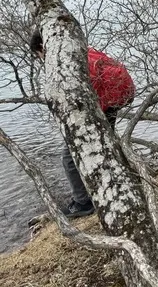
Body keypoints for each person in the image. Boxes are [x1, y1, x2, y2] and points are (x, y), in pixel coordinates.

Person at [30, 31, 135, 219]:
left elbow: (79, 99)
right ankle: (121, 182)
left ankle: (83, 202)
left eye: (39, 56)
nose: (42, 60)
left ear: (42, 48)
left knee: (69, 157)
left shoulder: (66, 62)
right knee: (105, 143)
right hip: (118, 96)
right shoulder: (79, 49)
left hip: (106, 101)